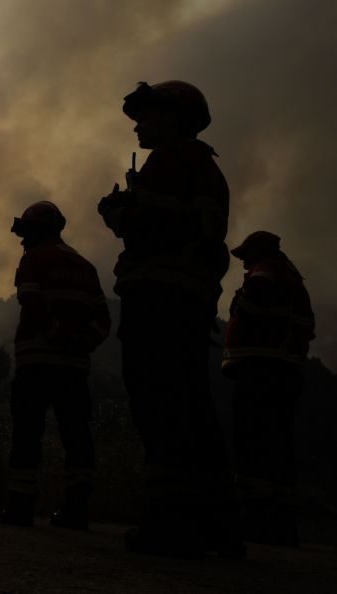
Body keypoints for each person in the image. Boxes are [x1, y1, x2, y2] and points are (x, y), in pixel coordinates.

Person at [98, 80, 241, 557]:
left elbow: (153, 227)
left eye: (147, 114)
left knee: (160, 406)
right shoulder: (202, 167)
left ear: (174, 116)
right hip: (183, 301)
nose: (138, 125)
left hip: (159, 299)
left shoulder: (172, 162)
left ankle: (171, 525)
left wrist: (119, 212)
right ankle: (212, 528)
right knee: (187, 404)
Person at [1, 201, 110, 530]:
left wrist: (54, 334)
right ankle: (76, 511)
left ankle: (21, 509)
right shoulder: (86, 267)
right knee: (76, 434)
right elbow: (103, 321)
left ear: (37, 232)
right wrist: (79, 343)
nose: (22, 241)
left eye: (26, 234)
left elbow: (30, 301)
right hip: (74, 368)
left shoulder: (33, 260)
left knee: (27, 433)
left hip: (36, 363)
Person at [223, 231, 315, 546]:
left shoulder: (266, 272)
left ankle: (256, 520)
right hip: (285, 369)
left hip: (261, 369)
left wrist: (239, 301)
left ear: (260, 251)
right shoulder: (290, 279)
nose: (244, 262)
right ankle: (283, 526)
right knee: (279, 447)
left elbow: (253, 301)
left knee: (252, 443)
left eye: (247, 255)